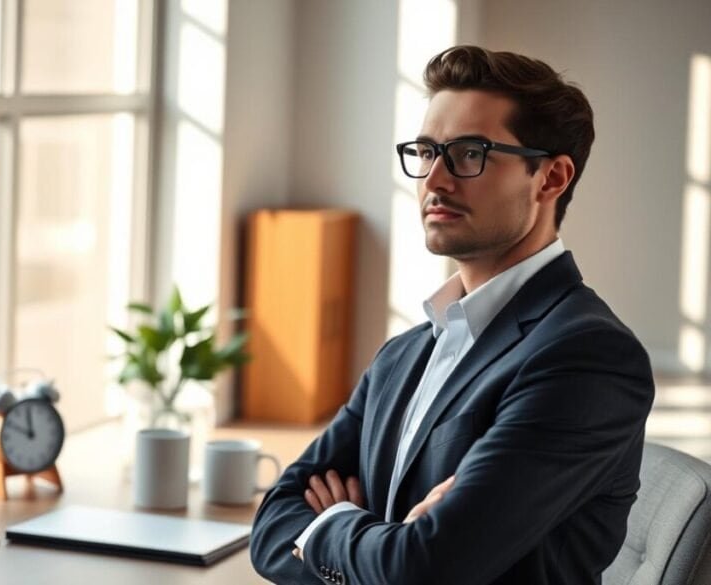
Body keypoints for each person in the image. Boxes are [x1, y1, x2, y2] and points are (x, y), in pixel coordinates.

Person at [250, 45, 655, 585]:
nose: (434, 180)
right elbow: (271, 526)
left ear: (551, 178)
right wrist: (384, 541)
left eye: (469, 154)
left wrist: (330, 523)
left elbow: (424, 569)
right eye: (425, 152)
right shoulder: (406, 353)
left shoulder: (588, 356)